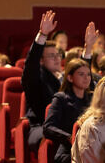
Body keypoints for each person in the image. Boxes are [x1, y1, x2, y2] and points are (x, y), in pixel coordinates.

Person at [22, 10, 98, 154]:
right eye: (51, 56)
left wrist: (88, 48)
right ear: (41, 60)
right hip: (43, 125)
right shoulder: (37, 79)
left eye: (58, 55)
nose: (57, 58)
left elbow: (82, 75)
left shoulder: (65, 76)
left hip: (69, 124)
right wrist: (43, 35)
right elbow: (31, 66)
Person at [43, 58, 92, 163]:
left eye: (88, 74)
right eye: (81, 74)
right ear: (70, 78)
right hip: (68, 152)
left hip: (91, 151)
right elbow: (48, 127)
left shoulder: (93, 99)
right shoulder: (60, 98)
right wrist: (71, 138)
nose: (86, 78)